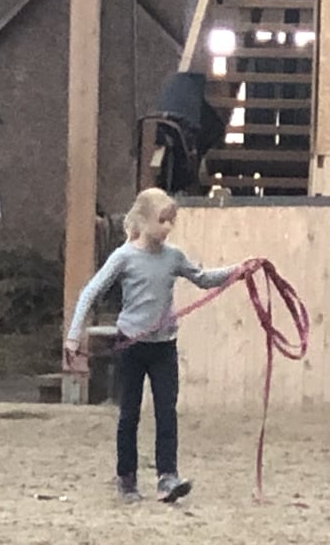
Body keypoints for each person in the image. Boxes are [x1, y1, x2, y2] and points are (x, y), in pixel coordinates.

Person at [64, 187, 243, 503]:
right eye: (163, 221)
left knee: (166, 412)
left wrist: (236, 273)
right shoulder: (124, 257)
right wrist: (74, 335)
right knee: (129, 414)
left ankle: (167, 477)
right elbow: (90, 292)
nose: (168, 228)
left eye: (171, 221)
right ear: (145, 221)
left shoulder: (173, 257)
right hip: (131, 345)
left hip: (164, 346)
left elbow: (201, 278)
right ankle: (127, 478)